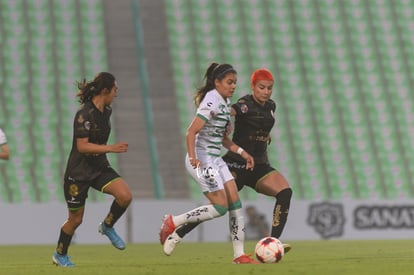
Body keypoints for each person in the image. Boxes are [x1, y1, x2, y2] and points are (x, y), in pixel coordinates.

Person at [159, 63, 258, 264]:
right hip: (202, 159)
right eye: (229, 82)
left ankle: (239, 255)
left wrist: (243, 152)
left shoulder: (224, 101)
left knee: (235, 204)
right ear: (217, 82)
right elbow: (191, 131)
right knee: (220, 208)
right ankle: (174, 221)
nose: (233, 86)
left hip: (215, 159)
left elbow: (223, 140)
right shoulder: (212, 100)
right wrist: (193, 156)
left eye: (235, 83)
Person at [52, 72, 132, 267]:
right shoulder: (83, 115)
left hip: (98, 168)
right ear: (105, 90)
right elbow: (82, 147)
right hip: (78, 174)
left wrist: (106, 152)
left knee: (125, 196)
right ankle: (60, 254)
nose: (116, 93)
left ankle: (107, 226)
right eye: (115, 89)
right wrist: (111, 148)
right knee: (76, 220)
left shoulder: (107, 111)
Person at [222, 68, 292, 252]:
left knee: (285, 192)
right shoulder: (244, 104)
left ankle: (273, 242)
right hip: (236, 163)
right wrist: (222, 119)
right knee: (218, 205)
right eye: (262, 87)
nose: (266, 92)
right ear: (253, 86)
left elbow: (262, 124)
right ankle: (179, 228)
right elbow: (231, 112)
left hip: (259, 165)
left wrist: (265, 135)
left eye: (269, 88)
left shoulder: (271, 106)